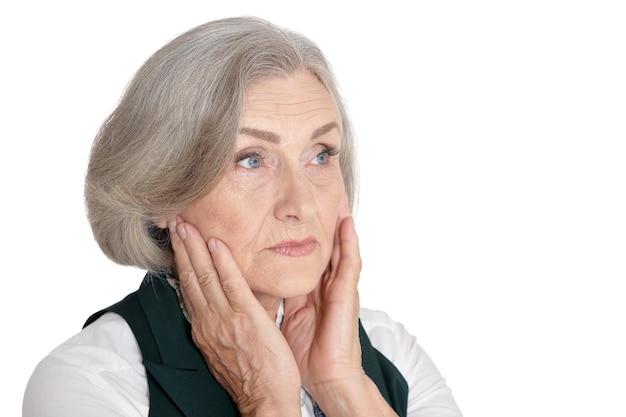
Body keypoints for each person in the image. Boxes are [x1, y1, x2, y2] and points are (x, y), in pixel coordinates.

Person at [23, 16, 462, 417]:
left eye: (320, 155)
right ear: (162, 191)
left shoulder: (390, 349)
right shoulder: (91, 381)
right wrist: (264, 398)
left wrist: (343, 385)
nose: (302, 204)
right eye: (251, 160)